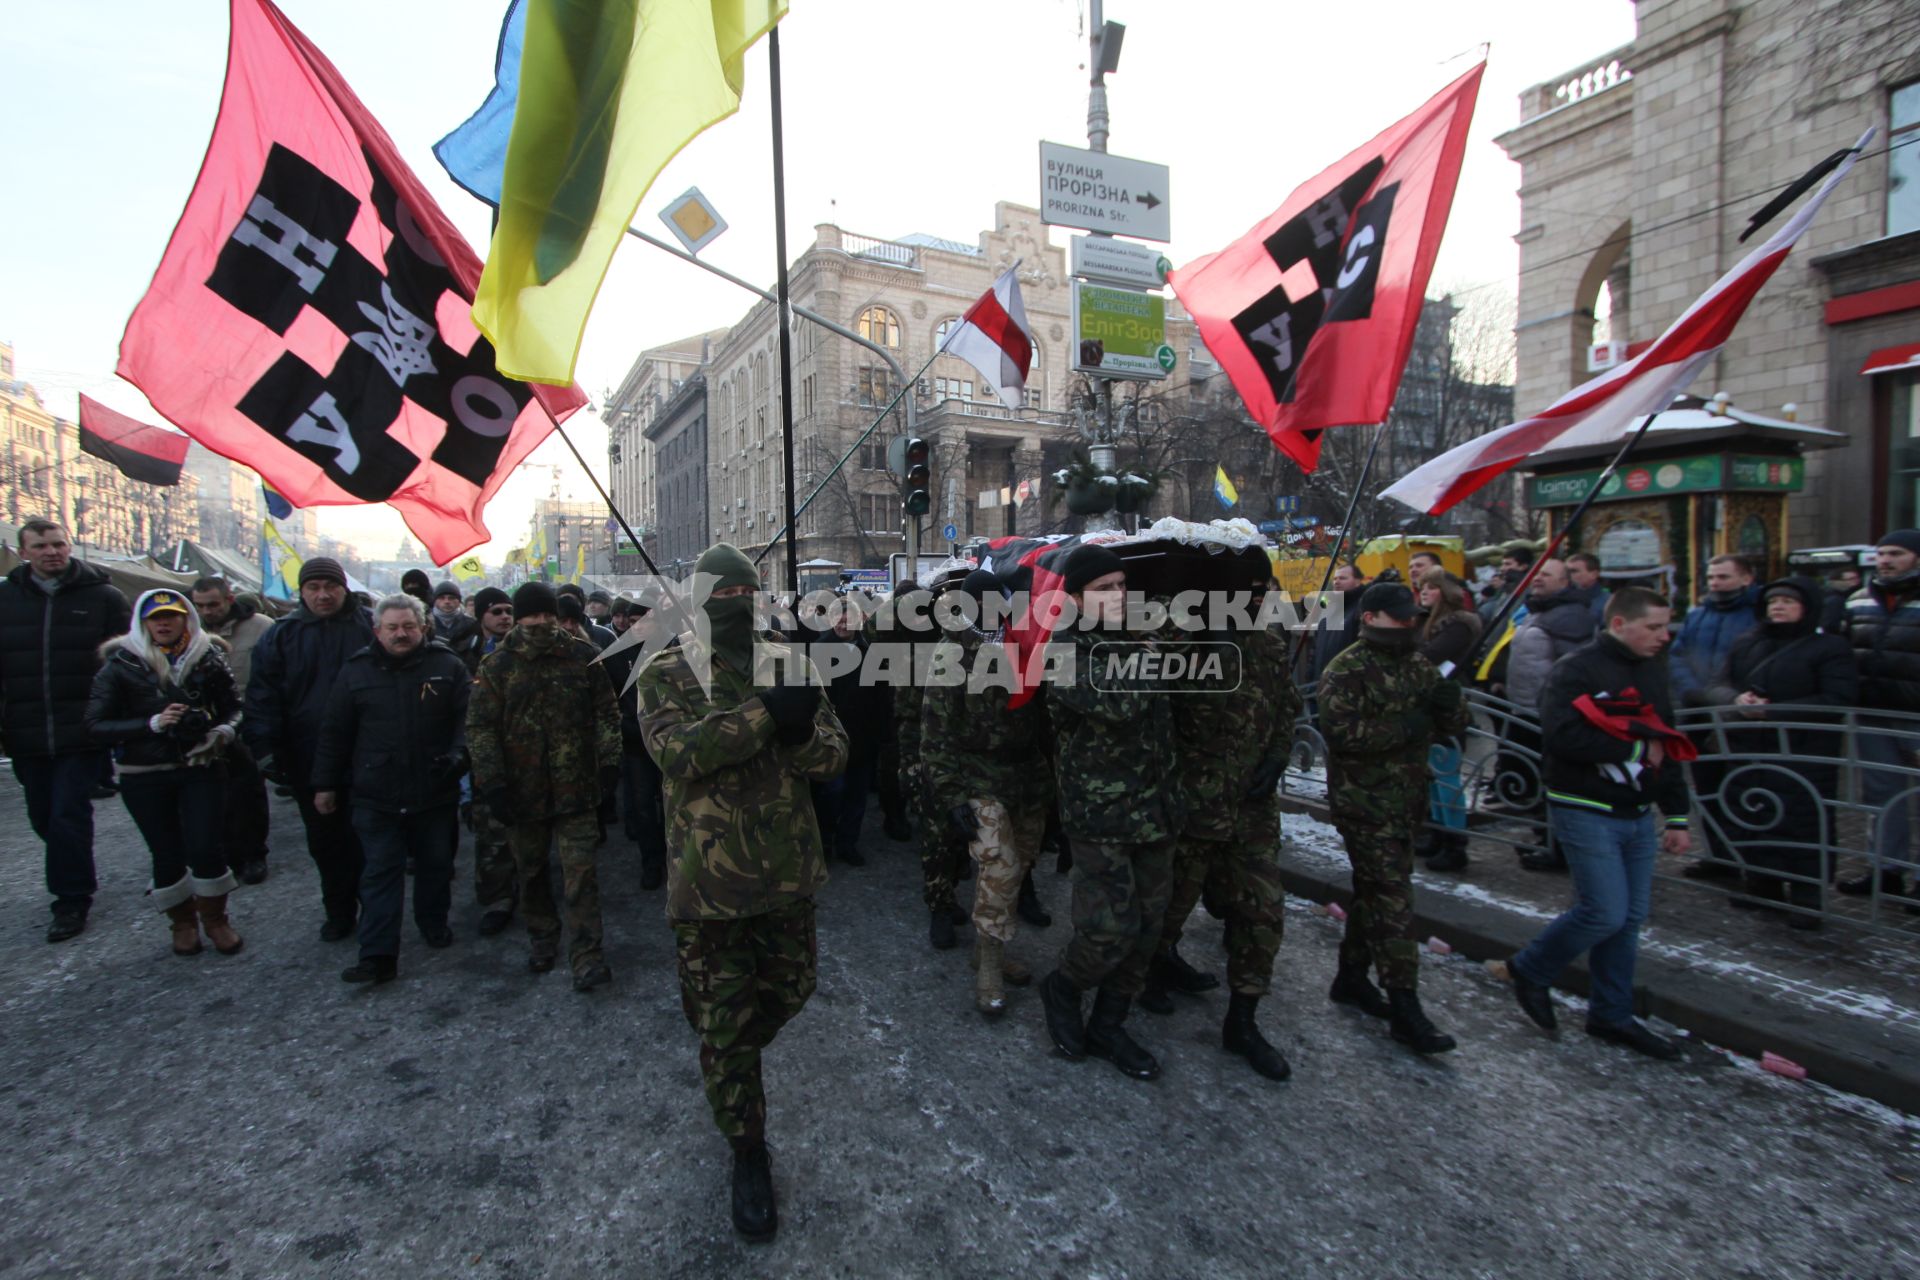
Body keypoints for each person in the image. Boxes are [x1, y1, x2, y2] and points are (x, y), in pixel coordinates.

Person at [636, 543, 849, 1242]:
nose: (738, 606)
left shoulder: (789, 660)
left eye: (747, 595)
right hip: (709, 885)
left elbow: (834, 757)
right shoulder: (665, 669)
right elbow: (677, 755)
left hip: (788, 874)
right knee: (729, 1028)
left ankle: (723, 1049)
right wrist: (763, 714)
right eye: (724, 596)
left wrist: (795, 728)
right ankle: (747, 1148)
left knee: (793, 990)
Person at [1507, 587, 1693, 1060]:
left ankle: (1611, 1014)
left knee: (1628, 919)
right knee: (1604, 911)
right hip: (1584, 805)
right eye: (1652, 627)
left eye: (1664, 627)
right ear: (1618, 625)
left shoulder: (1652, 668)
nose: (1662, 636)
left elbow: (1664, 741)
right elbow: (1563, 737)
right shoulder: (1575, 669)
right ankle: (1531, 968)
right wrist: (1632, 749)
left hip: (1636, 811)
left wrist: (1676, 814)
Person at [1139, 573, 1301, 1082]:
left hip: (1250, 809)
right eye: (1245, 588)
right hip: (1192, 802)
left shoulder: (1271, 642)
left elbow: (1285, 707)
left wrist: (1277, 754)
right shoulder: (1181, 633)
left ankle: (1244, 1019)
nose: (1256, 597)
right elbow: (1139, 701)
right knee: (1171, 904)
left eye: (1262, 589)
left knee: (1263, 911)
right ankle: (1154, 967)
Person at [1037, 544, 1185, 1081]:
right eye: (1104, 589)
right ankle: (1064, 987)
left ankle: (1110, 1022)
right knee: (1107, 932)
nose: (1119, 596)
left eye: (1123, 586)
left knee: (1148, 929)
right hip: (1100, 814)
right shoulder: (1066, 649)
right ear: (1076, 599)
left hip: (1157, 810)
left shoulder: (1139, 640)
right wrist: (1149, 656)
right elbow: (1117, 703)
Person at [1320, 581, 1465, 1055]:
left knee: (1374, 892)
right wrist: (1406, 726)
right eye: (1398, 616)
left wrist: (1449, 706)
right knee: (1394, 900)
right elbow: (1341, 732)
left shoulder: (1419, 665)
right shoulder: (1348, 669)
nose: (1408, 623)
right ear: (1371, 616)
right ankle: (1405, 1005)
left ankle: (1351, 976)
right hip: (1365, 804)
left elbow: (1451, 723)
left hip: (1407, 801)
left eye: (1411, 617)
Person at [312, 594, 471, 984]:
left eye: (409, 627)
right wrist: (325, 783)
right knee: (380, 871)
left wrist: (458, 758)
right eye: (393, 628)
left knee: (435, 865)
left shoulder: (447, 666)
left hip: (433, 789)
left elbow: (468, 723)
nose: (401, 634)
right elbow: (334, 732)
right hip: (376, 792)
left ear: (423, 627)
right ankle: (378, 954)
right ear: (377, 630)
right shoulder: (355, 672)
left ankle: (433, 922)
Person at [468, 581, 620, 989]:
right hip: (522, 791)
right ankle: (542, 938)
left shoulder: (583, 656)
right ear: (518, 619)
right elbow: (480, 729)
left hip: (577, 789)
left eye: (547, 616)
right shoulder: (497, 666)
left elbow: (607, 713)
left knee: (582, 875)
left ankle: (587, 954)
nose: (541, 624)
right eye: (532, 617)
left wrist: (608, 763)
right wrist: (493, 782)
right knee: (531, 871)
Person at [921, 569, 1054, 1016]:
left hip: (1028, 779)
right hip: (979, 776)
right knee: (1000, 864)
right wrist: (951, 794)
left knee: (1018, 869)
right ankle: (990, 968)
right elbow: (935, 735)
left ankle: (986, 947)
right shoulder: (952, 651)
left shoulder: (1023, 641)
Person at [85, 589, 243, 956]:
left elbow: (235, 709)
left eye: (171, 616)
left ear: (185, 618)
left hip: (200, 765)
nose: (164, 623)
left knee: (207, 845)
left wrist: (222, 732)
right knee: (165, 850)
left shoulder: (209, 657)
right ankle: (182, 923)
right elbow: (94, 724)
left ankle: (217, 919)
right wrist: (151, 723)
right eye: (156, 618)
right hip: (144, 772)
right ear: (143, 623)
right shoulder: (120, 665)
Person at [1, 518, 131, 941]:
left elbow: (127, 662)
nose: (50, 552)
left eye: (58, 544)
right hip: (24, 731)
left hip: (83, 730)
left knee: (67, 814)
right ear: (23, 552)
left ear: (69, 546)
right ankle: (72, 867)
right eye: (40, 546)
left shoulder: (104, 597)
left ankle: (72, 900)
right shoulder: (6, 599)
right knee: (44, 816)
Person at [1700, 577, 1855, 929]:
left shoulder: (1829, 647)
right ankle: (1762, 884)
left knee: (1803, 820)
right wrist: (1736, 701)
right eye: (1773, 601)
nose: (1778, 607)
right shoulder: (1747, 642)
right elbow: (1716, 685)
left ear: (1807, 607)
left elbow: (1837, 699)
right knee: (1753, 815)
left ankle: (1806, 895)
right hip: (1748, 747)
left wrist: (1775, 711)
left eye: (1787, 601)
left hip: (1803, 750)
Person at [244, 556, 373, 939]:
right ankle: (339, 911)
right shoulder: (281, 635)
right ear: (302, 592)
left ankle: (377, 914)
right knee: (325, 841)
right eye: (313, 588)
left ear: (343, 588)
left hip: (369, 754)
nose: (322, 595)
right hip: (310, 759)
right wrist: (266, 751)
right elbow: (262, 697)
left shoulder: (369, 626)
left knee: (370, 839)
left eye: (329, 586)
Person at [888, 581, 971, 949]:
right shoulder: (904, 634)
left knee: (954, 833)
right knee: (934, 830)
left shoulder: (951, 636)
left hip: (952, 737)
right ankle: (938, 906)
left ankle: (949, 895)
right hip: (914, 736)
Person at [1670, 556, 1763, 880]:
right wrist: (1695, 690)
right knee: (1706, 784)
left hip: (1739, 713)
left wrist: (1734, 696)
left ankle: (1747, 859)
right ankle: (1718, 854)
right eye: (1711, 576)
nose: (1715, 583)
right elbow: (1677, 654)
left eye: (1723, 577)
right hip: (1699, 709)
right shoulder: (1698, 613)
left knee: (1741, 787)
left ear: (1746, 578)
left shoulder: (1758, 615)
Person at [1838, 532, 1920, 900]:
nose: (1885, 560)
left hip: (1915, 713)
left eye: (1896, 554)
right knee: (1881, 796)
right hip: (1872, 711)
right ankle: (1886, 870)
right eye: (1881, 553)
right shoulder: (1858, 600)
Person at [1501, 559, 1597, 871]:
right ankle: (1547, 837)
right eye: (1537, 572)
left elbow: (1570, 666)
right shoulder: (1538, 609)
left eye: (1545, 574)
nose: (1536, 577)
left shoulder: (1569, 615)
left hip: (1547, 712)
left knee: (1552, 780)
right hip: (1525, 707)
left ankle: (1559, 844)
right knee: (1535, 778)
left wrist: (1554, 703)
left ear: (1566, 582)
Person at [189, 577, 273, 884]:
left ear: (229, 599)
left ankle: (253, 854)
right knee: (209, 794)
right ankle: (222, 853)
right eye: (200, 606)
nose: (207, 611)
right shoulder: (187, 628)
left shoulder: (261, 627)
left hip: (248, 721)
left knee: (247, 792)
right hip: (205, 727)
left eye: (213, 604)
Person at [1415, 568, 1483, 873]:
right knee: (1433, 774)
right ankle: (1438, 832)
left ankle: (1455, 842)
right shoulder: (1427, 620)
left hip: (1448, 704)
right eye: (1421, 588)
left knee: (1446, 775)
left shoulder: (1459, 623)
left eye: (1429, 587)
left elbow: (1431, 654)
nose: (1424, 592)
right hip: (1429, 704)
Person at [603, 589, 670, 891]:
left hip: (671, 738)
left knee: (672, 803)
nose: (640, 625)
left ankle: (675, 858)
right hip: (635, 741)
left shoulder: (675, 648)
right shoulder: (618, 654)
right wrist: (624, 724)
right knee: (643, 805)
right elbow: (609, 698)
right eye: (634, 620)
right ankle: (651, 863)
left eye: (646, 619)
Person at [462, 586, 520, 932]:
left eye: (507, 611)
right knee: (490, 832)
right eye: (495, 611)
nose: (504, 618)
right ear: (480, 615)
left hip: (524, 752)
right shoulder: (463, 652)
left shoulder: (523, 650)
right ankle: (497, 898)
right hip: (483, 753)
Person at [429, 580, 483, 665]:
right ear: (435, 600)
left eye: (451, 598)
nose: (447, 601)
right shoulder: (426, 625)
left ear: (459, 601)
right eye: (442, 598)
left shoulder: (472, 625)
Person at [556, 582, 616, 650]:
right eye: (563, 601)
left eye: (573, 601)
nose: (569, 605)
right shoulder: (545, 643)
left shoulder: (605, 636)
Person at [1567, 552, 1609, 624]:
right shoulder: (1560, 598)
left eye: (1574, 571)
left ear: (1594, 574)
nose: (1567, 575)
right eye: (1566, 571)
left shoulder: (1607, 603)